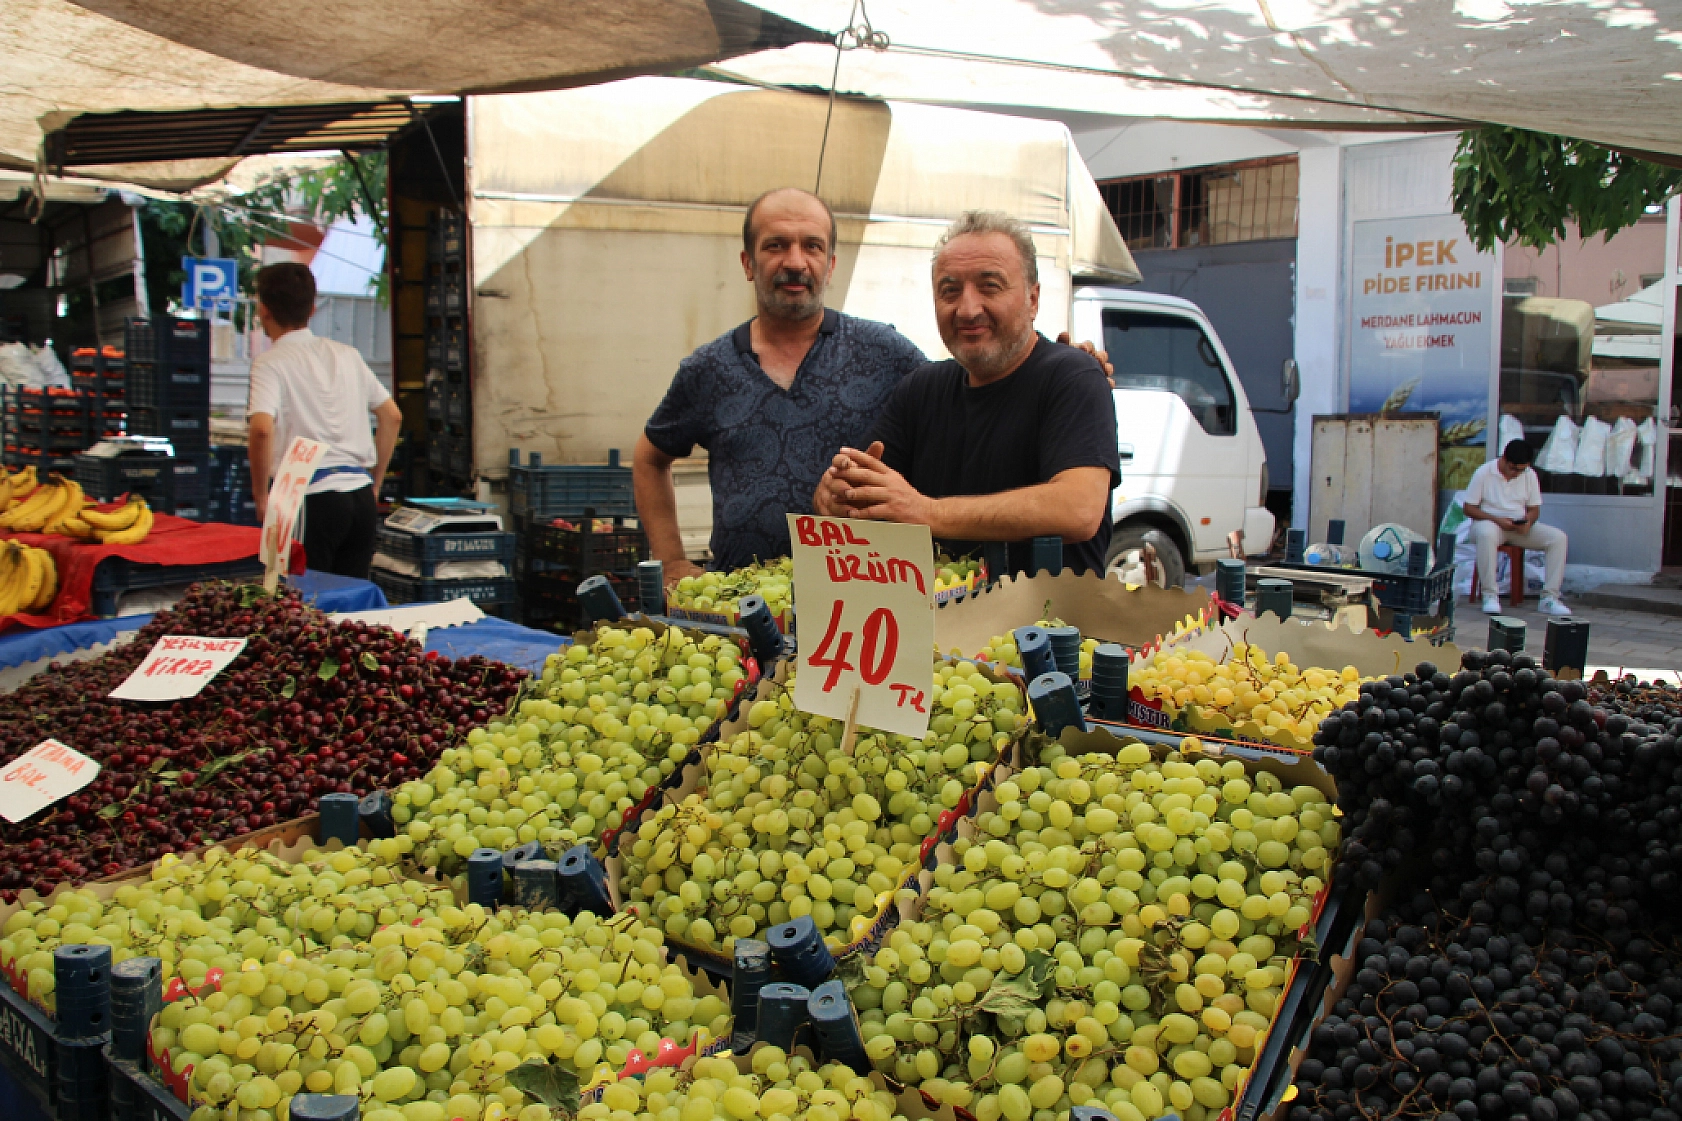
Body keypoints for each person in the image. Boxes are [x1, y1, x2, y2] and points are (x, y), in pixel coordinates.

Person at [635, 188, 926, 579]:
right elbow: (650, 458)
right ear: (748, 262)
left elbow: (949, 428)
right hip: (741, 606)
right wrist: (671, 560)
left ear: (831, 264)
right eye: (776, 245)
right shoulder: (708, 369)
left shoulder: (887, 354)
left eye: (812, 246)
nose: (795, 262)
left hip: (861, 604)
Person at [814, 210, 1119, 577]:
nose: (968, 309)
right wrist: (836, 493)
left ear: (1033, 299)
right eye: (950, 291)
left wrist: (926, 512)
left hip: (1046, 629)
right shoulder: (920, 390)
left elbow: (1077, 509)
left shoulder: (1073, 376)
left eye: (990, 286)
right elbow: (855, 495)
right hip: (939, 627)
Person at [246, 262, 403, 579]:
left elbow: (262, 429)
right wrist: (375, 483)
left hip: (301, 492)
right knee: (350, 612)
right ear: (312, 308)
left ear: (262, 310)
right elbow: (391, 415)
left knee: (293, 607)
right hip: (359, 495)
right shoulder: (347, 354)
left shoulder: (269, 363)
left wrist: (262, 495)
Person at [1463, 438, 1571, 617]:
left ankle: (1550, 598)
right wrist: (1497, 520)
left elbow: (1534, 509)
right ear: (1504, 459)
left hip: (1517, 527)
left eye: (1521, 470)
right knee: (1487, 534)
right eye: (1513, 468)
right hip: (1489, 524)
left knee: (1558, 538)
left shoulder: (1529, 475)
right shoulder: (1484, 473)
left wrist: (1528, 522)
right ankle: (1490, 595)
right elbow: (1469, 508)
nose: (1516, 474)